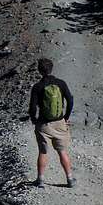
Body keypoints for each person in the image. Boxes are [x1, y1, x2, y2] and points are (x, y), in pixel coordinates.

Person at [28, 57, 74, 188]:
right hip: (60, 123)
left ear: (39, 71)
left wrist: (34, 120)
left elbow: (32, 107)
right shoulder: (61, 83)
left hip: (44, 124)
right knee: (62, 151)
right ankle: (70, 179)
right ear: (52, 68)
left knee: (43, 152)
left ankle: (40, 179)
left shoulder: (37, 87)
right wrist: (65, 117)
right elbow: (70, 100)